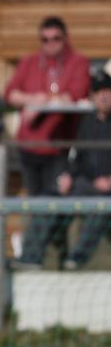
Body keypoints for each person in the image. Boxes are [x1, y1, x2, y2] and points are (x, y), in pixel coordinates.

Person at [5, 17, 90, 268]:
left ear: (65, 38)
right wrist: (34, 99)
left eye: (56, 38)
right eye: (45, 39)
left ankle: (36, 256)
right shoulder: (30, 62)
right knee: (37, 204)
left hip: (58, 148)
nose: (50, 44)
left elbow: (73, 95)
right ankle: (42, 257)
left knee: (54, 203)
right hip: (29, 147)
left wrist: (41, 103)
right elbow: (10, 93)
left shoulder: (78, 62)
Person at [58, 73, 111, 269]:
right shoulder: (87, 123)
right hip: (89, 183)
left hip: (108, 190)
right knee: (50, 197)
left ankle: (77, 258)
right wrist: (68, 176)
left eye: (107, 91)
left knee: (101, 206)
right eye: (98, 92)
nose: (104, 96)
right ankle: (31, 257)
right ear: (92, 97)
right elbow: (77, 158)